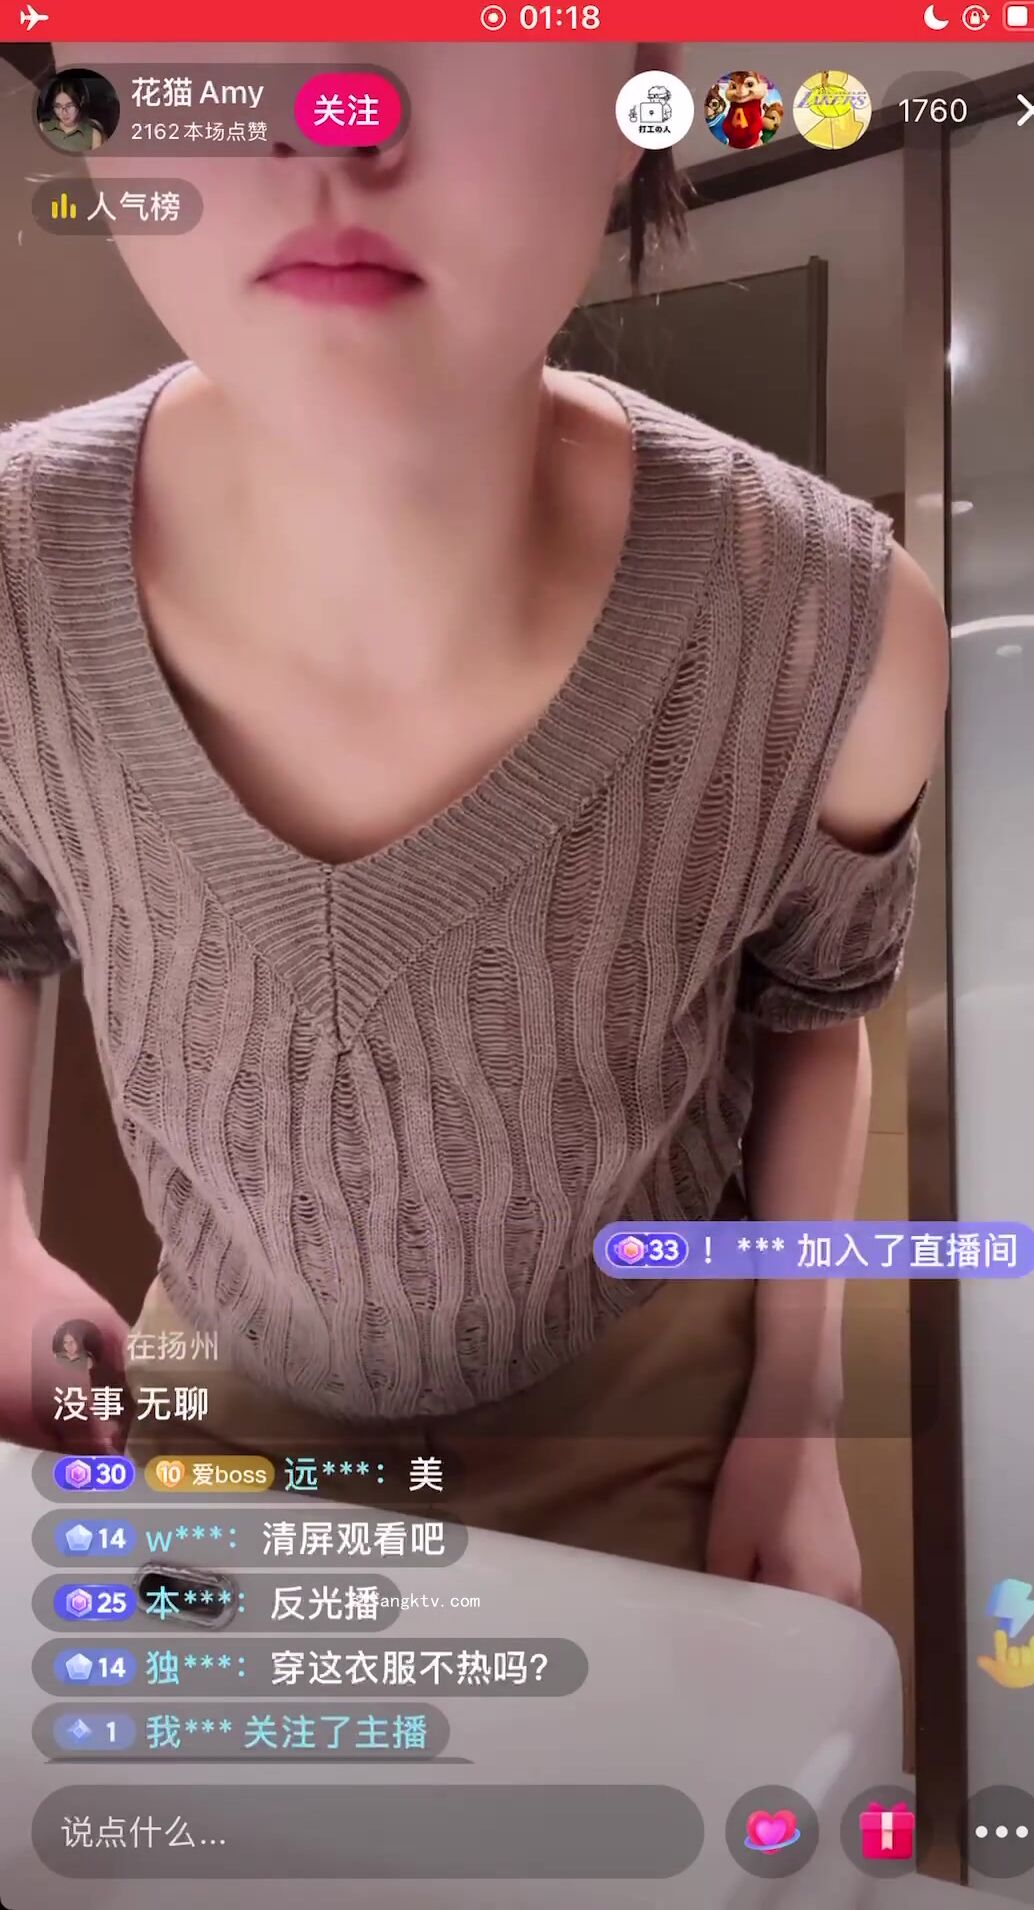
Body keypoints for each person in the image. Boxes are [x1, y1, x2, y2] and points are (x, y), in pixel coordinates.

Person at [0, 43, 948, 1594]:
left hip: (651, 1421)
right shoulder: (15, 571)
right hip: (208, 1405)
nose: (332, 114)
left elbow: (815, 1009)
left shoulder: (833, 630)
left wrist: (799, 1404)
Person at [37, 74, 105, 152]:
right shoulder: (42, 128)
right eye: (58, 106)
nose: (64, 112)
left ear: (81, 102)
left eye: (69, 105)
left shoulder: (93, 136)